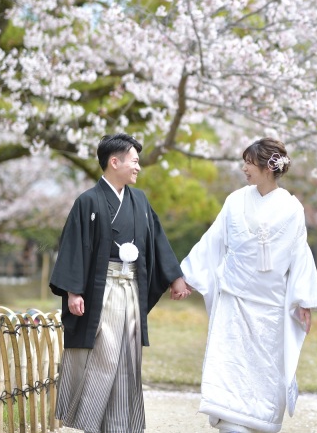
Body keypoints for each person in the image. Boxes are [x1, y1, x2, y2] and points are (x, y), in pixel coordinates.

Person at [181, 138, 317, 433]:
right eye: (244, 161)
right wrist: (187, 276)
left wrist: (304, 300)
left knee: (265, 370)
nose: (244, 168)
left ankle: (261, 421)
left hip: (271, 306)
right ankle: (230, 422)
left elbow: (300, 253)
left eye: (249, 162)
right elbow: (214, 240)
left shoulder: (291, 208)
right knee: (230, 364)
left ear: (268, 167)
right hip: (233, 299)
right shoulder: (235, 200)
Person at [50, 133, 190, 433]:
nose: (138, 167)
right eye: (134, 161)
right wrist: (74, 291)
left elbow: (157, 240)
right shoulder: (87, 201)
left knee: (127, 358)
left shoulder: (139, 200)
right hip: (102, 292)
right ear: (115, 162)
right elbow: (74, 246)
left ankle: (120, 425)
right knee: (103, 355)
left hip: (131, 291)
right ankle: (89, 422)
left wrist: (175, 277)